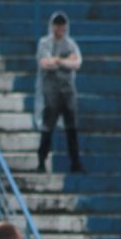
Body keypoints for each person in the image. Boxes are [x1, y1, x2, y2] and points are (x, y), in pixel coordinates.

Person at [35, 11, 85, 174]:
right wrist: (64, 61)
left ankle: (75, 162)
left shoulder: (70, 44)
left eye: (62, 25)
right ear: (52, 26)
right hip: (51, 93)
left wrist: (57, 61)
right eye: (57, 25)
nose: (60, 28)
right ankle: (42, 161)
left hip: (68, 92)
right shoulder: (45, 43)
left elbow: (77, 63)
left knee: (72, 128)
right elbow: (44, 63)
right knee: (47, 127)